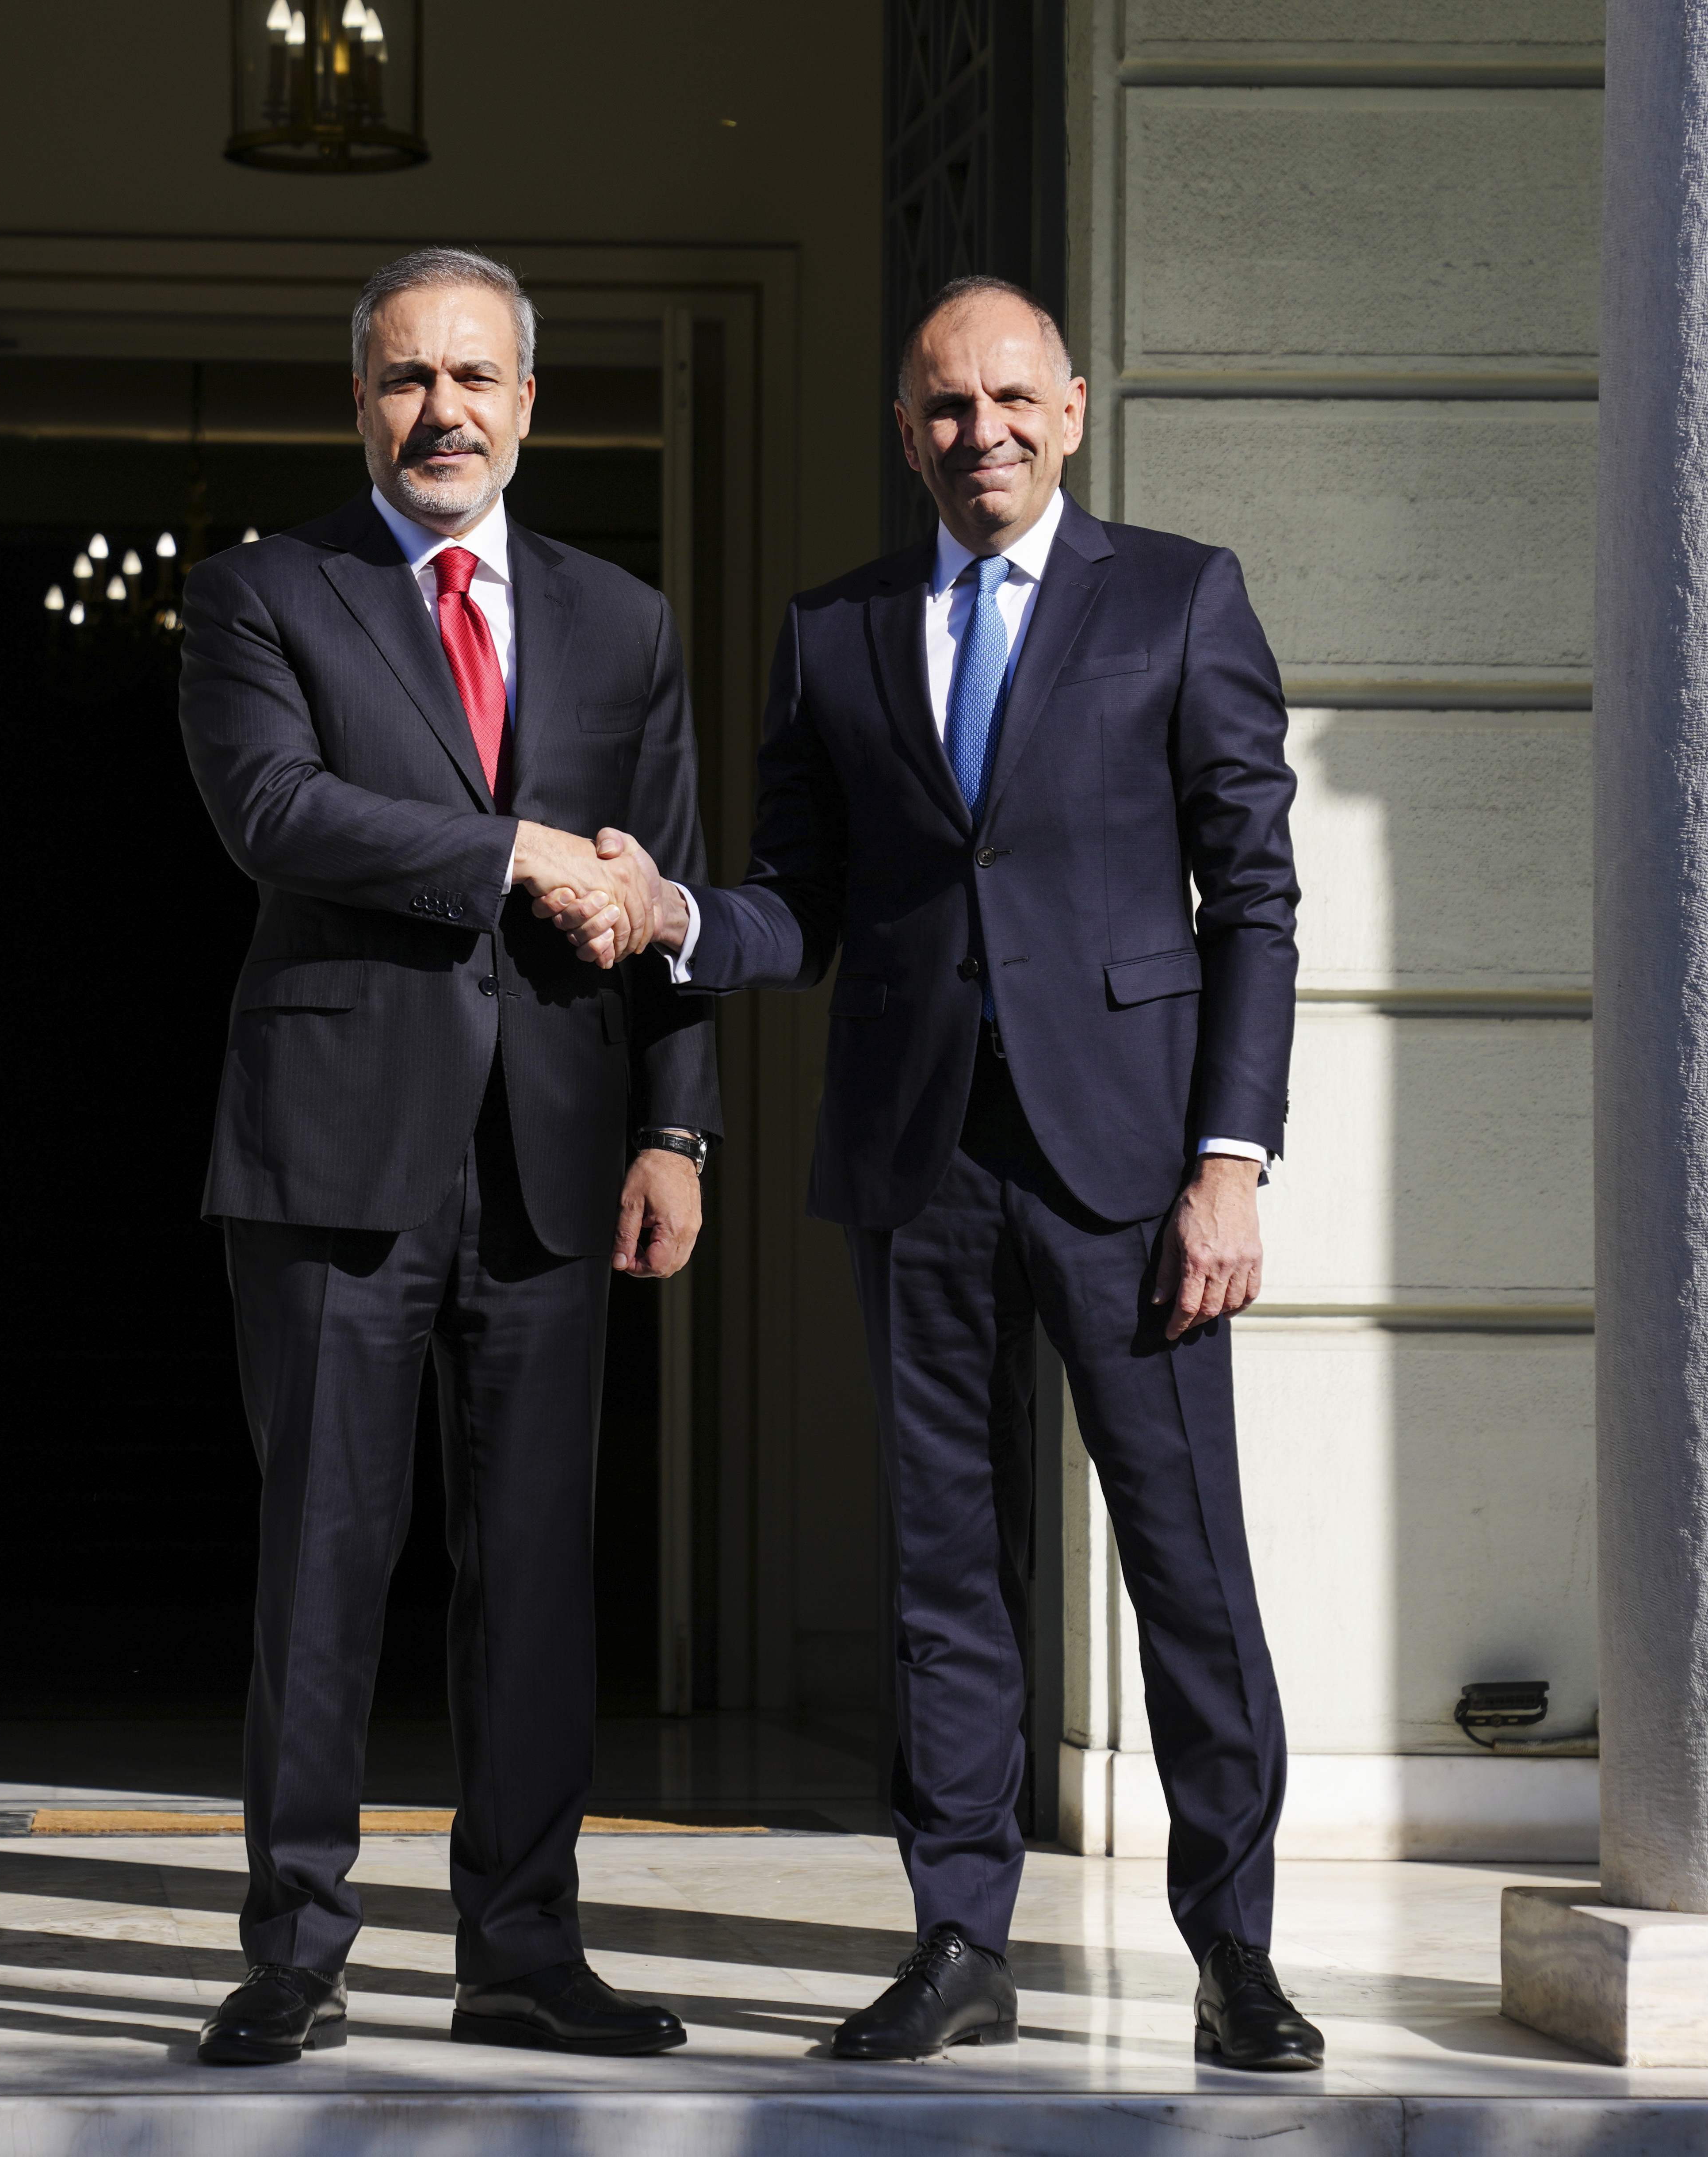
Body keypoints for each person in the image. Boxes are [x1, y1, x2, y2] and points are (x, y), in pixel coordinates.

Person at [543, 274, 1324, 2071]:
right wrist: (671, 912)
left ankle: (1239, 1952)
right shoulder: (834, 633)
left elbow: (1255, 897)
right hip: (918, 1161)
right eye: (945, 410)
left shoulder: (1181, 598)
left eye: (1011, 400)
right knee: (940, 1573)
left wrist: (1231, 1157)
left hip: (1133, 1168)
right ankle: (961, 1936)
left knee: (1187, 1559)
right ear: (908, 435)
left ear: (1072, 407)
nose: (982, 433)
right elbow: (800, 900)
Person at [174, 246, 718, 2067]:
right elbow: (275, 812)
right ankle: (297, 1946)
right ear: (359, 402)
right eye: (407, 379)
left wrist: (677, 1123)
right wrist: (510, 850)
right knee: (324, 1552)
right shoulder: (265, 594)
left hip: (560, 1151)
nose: (444, 412)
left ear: (529, 405)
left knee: (539, 1567)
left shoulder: (623, 620)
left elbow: (665, 892)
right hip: (340, 1151)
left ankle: (522, 1948)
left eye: (477, 379)